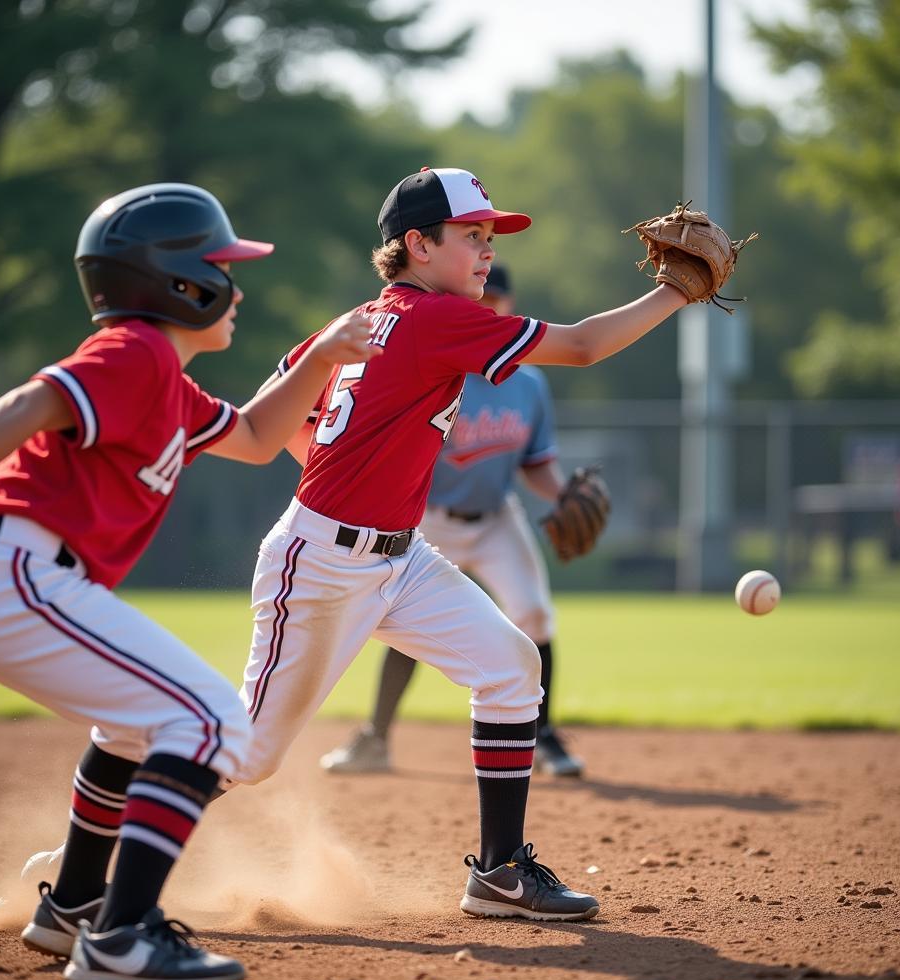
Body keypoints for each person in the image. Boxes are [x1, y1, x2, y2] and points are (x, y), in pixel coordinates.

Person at [0, 183, 378, 980]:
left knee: (138, 727)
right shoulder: (136, 353)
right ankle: (124, 936)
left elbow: (264, 436)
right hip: (6, 568)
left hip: (2, 576)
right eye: (223, 267)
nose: (236, 286)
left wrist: (325, 354)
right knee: (208, 719)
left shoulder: (171, 386)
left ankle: (77, 907)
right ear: (179, 283)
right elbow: (35, 400)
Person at [232, 166, 688, 922]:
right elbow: (578, 348)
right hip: (319, 564)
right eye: (471, 236)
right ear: (416, 244)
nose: (485, 252)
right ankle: (87, 859)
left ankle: (501, 872)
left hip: (398, 556)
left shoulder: (365, 317)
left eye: (489, 238)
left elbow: (283, 405)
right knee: (249, 754)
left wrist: (343, 465)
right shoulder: (434, 316)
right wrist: (677, 292)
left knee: (512, 667)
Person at [319, 263, 586, 778]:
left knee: (533, 616)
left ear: (510, 309)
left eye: (496, 303)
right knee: (408, 624)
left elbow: (536, 465)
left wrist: (564, 495)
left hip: (495, 520)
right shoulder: (439, 365)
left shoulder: (527, 383)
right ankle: (374, 738)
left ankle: (545, 737)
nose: (488, 310)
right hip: (428, 520)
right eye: (480, 303)